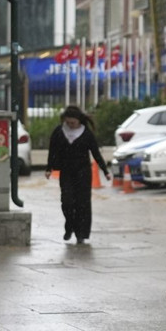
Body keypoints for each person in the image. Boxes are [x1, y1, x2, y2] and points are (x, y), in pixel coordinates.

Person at [46, 105, 110, 244]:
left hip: (83, 172)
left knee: (83, 204)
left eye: (73, 123)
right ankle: (69, 226)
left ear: (79, 121)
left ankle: (81, 234)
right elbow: (53, 150)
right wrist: (48, 168)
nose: (70, 125)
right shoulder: (59, 132)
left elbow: (96, 153)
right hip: (66, 172)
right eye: (68, 123)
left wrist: (105, 171)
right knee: (67, 201)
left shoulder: (86, 133)